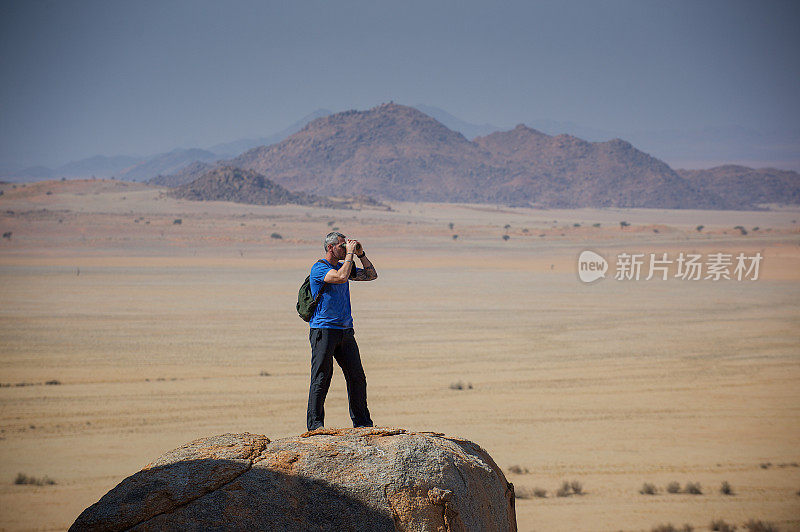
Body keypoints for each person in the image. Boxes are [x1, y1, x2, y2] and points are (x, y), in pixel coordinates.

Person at [306, 231, 378, 431]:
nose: (346, 248)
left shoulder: (343, 265)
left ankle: (362, 423)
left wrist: (361, 254)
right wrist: (350, 256)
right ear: (330, 248)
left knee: (357, 376)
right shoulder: (319, 268)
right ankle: (315, 426)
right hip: (324, 329)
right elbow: (340, 277)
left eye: (346, 245)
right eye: (341, 245)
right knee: (321, 376)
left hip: (345, 330)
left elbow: (372, 276)